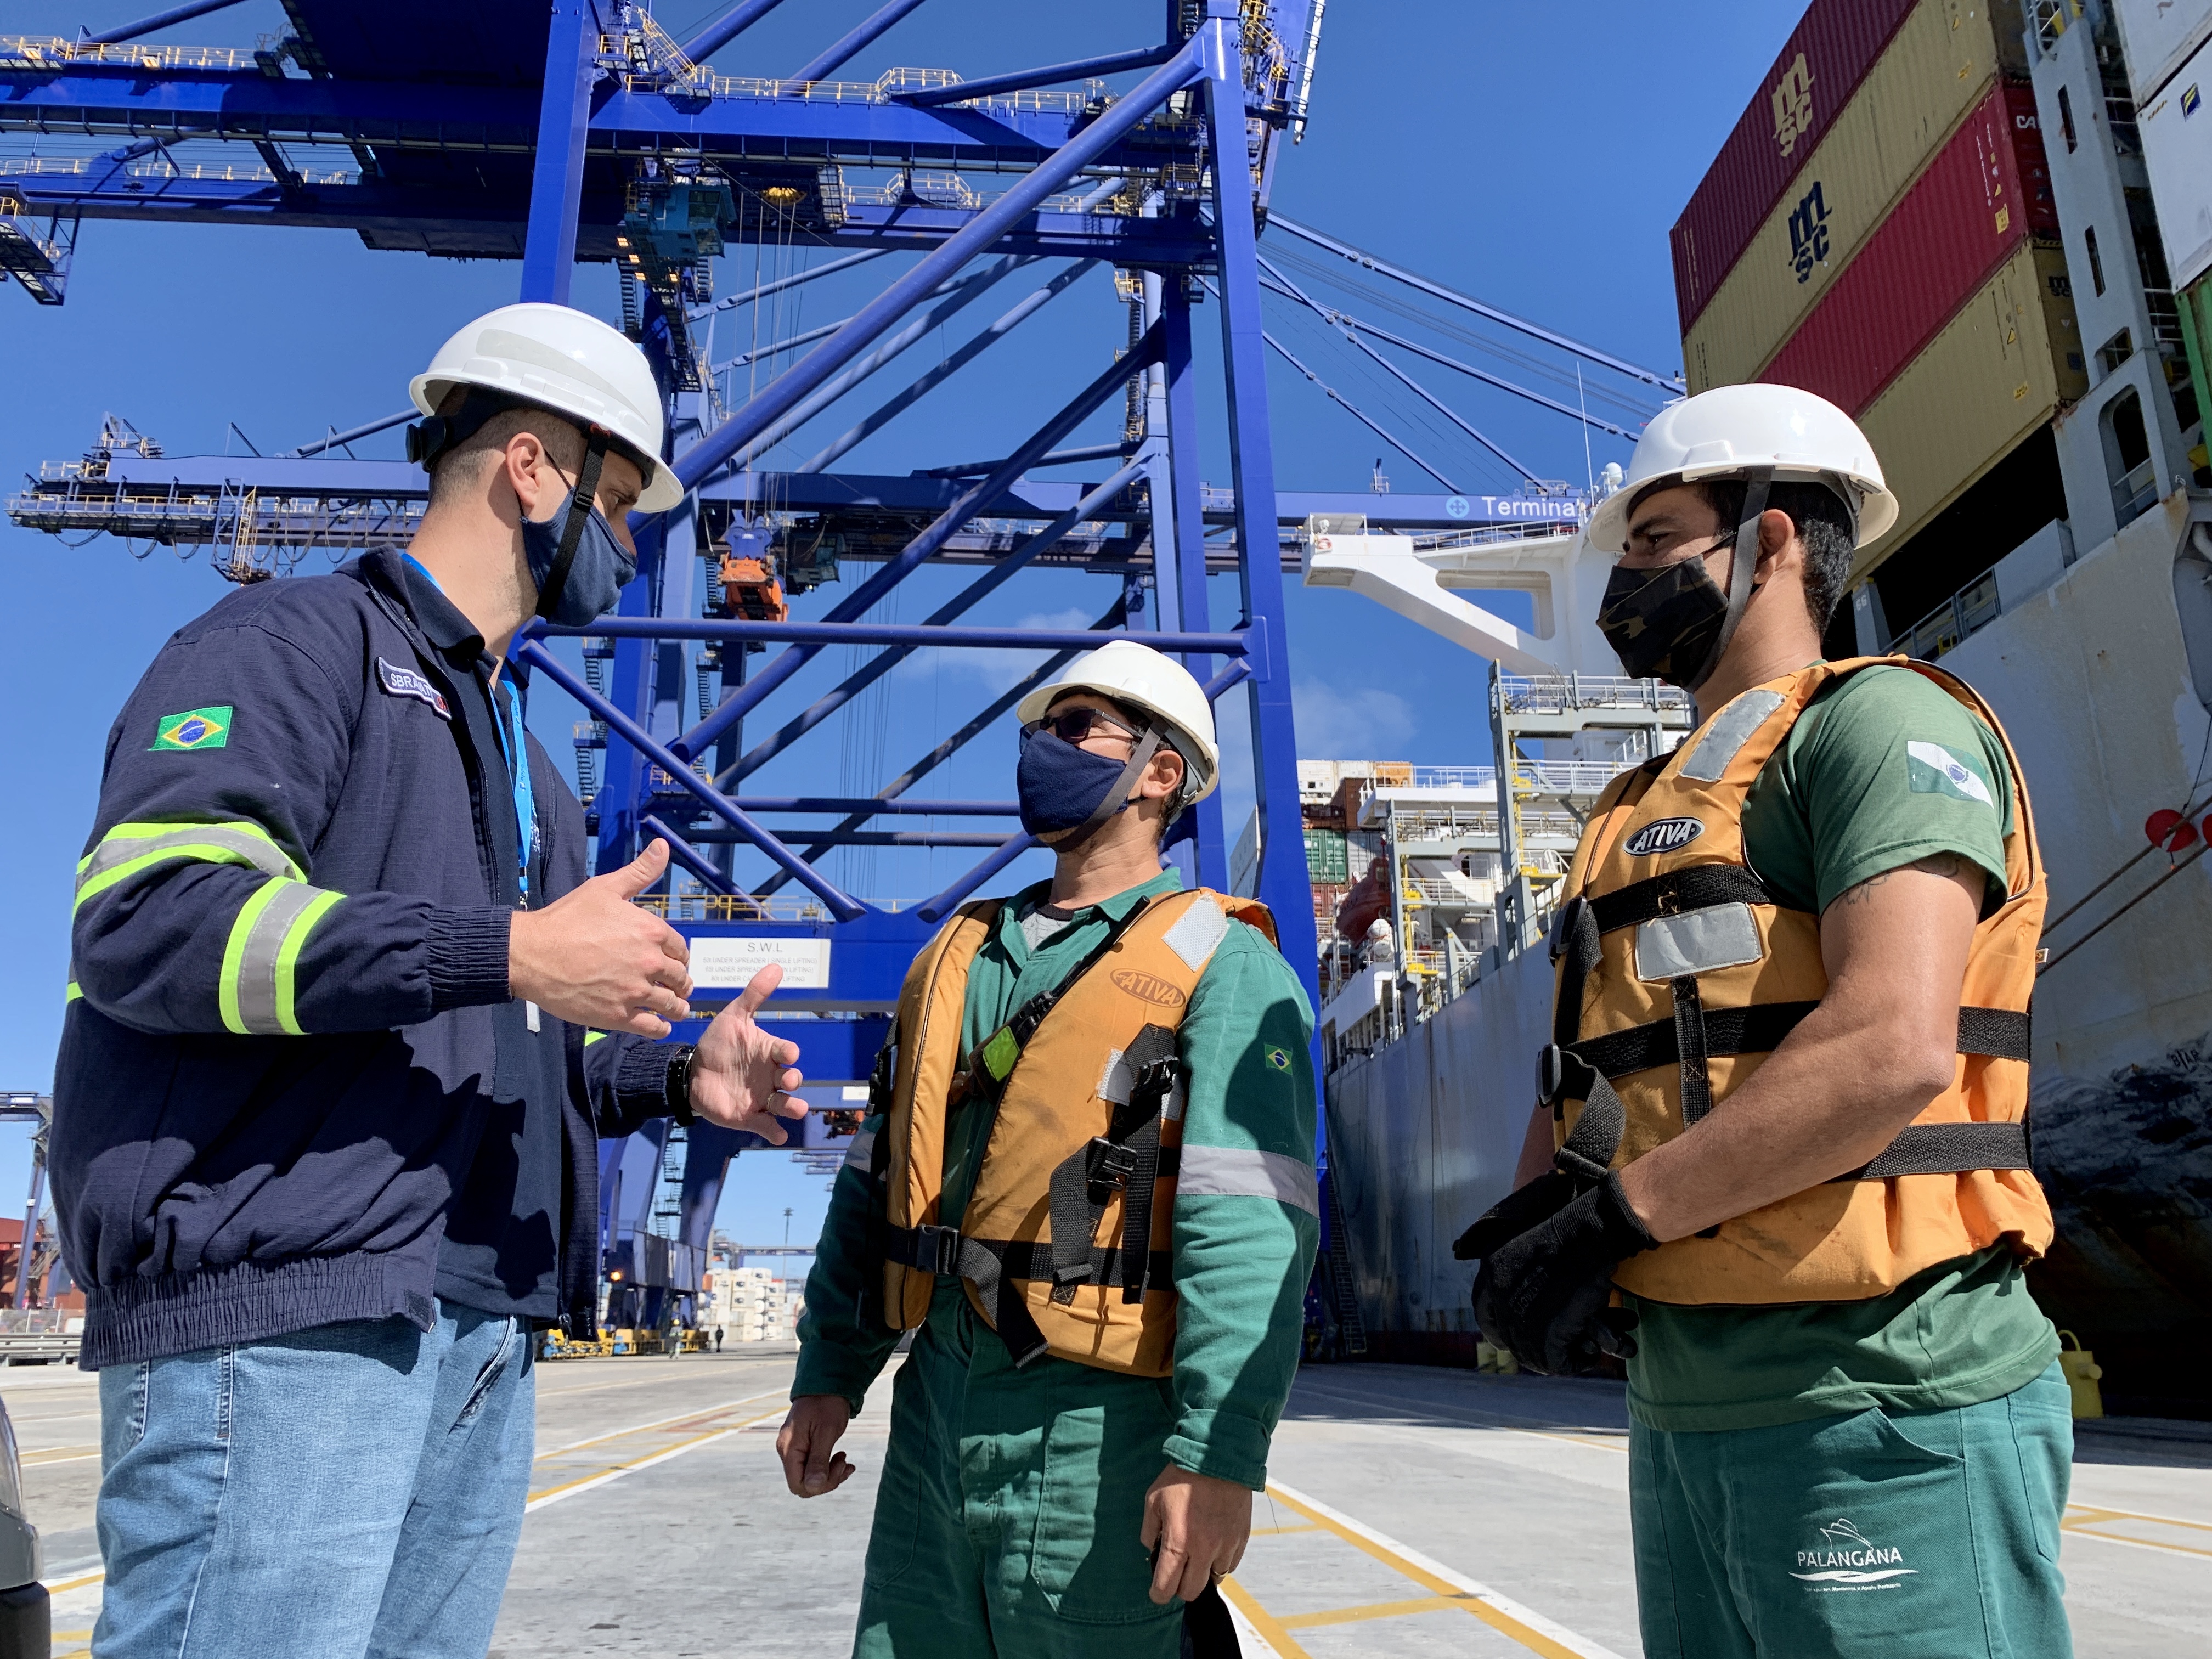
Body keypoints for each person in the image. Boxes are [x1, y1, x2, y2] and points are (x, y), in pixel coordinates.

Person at [55, 303, 806, 1659]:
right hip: (284, 1317)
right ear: (532, 467)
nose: (630, 546)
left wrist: (672, 1078)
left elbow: (501, 1039)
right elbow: (148, 921)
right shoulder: (292, 647)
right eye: (622, 501)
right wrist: (511, 948)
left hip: (474, 1329)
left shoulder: (526, 761)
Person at [1456, 383, 2071, 1659]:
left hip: (1883, 1392)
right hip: (1686, 1399)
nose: (1627, 579)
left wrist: (1618, 1221)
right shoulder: (1629, 808)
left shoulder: (1875, 725)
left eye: (1657, 539)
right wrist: (1529, 1245)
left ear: (1775, 538)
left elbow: (1892, 1045)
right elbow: (1585, 1071)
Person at [776, 640, 1319, 1657]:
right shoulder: (957, 957)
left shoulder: (1228, 964)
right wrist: (829, 1373)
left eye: (1078, 729)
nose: (1045, 748)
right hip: (932, 1418)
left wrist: (1218, 1456)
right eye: (1043, 730)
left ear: (1164, 773)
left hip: (1099, 1438)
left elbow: (1250, 1232)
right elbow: (876, 1185)